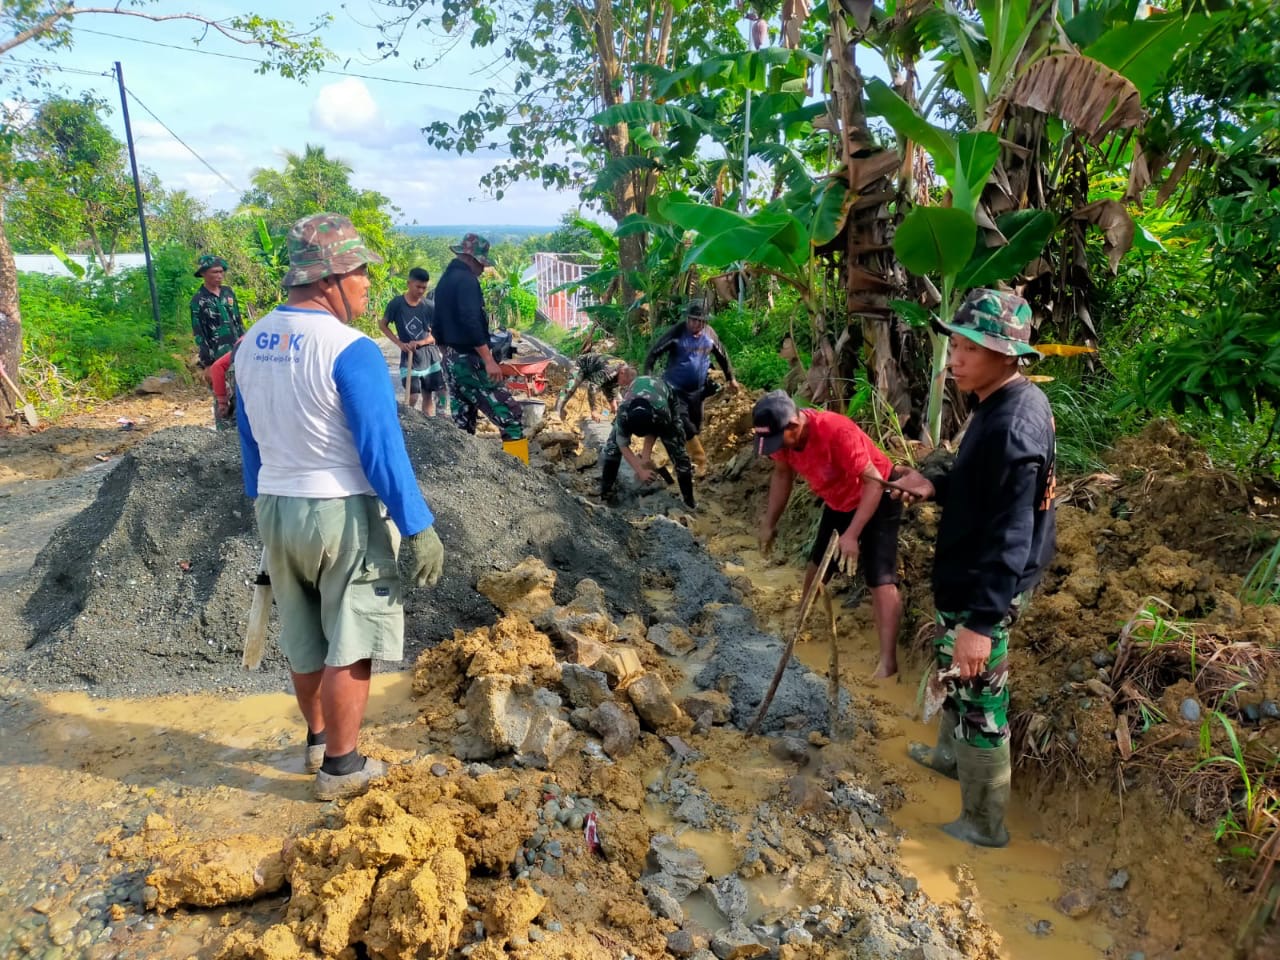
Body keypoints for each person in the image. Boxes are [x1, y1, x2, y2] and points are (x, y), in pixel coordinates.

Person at [234, 213, 445, 802]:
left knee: (304, 638)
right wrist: (418, 524)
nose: (367, 288)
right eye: (360, 276)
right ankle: (343, 769)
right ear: (329, 278)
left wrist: (263, 507)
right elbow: (381, 449)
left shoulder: (251, 342)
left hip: (277, 507)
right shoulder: (349, 350)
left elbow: (247, 438)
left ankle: (316, 741)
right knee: (349, 641)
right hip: (341, 512)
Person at [888, 288, 1057, 848]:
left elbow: (1014, 532)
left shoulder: (1013, 428)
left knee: (981, 697)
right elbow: (981, 488)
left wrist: (982, 623)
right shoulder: (1001, 403)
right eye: (954, 345)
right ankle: (948, 757)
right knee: (956, 675)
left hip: (986, 587)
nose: (954, 359)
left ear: (1007, 354)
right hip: (967, 577)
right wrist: (933, 483)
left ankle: (984, 824)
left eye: (968, 349)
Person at [752, 390, 904, 679]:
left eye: (776, 441)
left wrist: (852, 535)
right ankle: (799, 626)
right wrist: (769, 522)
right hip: (838, 500)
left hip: (879, 493)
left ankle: (887, 663)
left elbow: (873, 482)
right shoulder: (781, 440)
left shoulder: (836, 431)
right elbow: (782, 474)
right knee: (817, 567)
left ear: (794, 427)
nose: (775, 449)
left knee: (880, 578)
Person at [433, 233, 527, 463]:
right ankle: (521, 478)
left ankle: (463, 472)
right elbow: (470, 319)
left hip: (451, 360)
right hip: (470, 360)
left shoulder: (445, 280)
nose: (483, 270)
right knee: (511, 416)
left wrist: (448, 355)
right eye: (481, 264)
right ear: (471, 258)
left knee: (463, 422)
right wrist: (488, 359)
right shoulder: (466, 281)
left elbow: (436, 323)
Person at [643, 299, 738, 471]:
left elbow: (722, 355)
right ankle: (701, 461)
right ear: (687, 319)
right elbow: (653, 354)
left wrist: (731, 378)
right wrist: (647, 380)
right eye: (693, 320)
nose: (696, 324)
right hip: (674, 389)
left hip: (697, 392)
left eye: (700, 321)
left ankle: (678, 456)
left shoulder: (709, 335)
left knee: (696, 426)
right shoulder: (677, 333)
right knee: (684, 423)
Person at [600, 374, 695, 510]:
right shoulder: (623, 411)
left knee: (678, 452)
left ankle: (689, 503)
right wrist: (640, 469)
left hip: (665, 396)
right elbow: (622, 444)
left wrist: (645, 458)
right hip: (637, 394)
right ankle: (605, 493)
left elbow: (654, 432)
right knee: (611, 448)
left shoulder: (661, 412)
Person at [380, 267, 446, 417]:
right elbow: (382, 324)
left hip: (430, 356)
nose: (421, 291)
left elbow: (437, 332)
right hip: (409, 357)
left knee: (429, 394)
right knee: (413, 395)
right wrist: (399, 343)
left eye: (424, 287)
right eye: (418, 286)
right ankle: (407, 423)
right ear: (409, 283)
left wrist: (421, 342)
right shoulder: (396, 304)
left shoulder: (429, 306)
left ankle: (429, 425)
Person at [190, 254, 246, 430]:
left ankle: (240, 430)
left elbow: (238, 321)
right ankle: (223, 435)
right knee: (222, 396)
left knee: (242, 393)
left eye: (222, 272)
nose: (220, 275)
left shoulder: (228, 293)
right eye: (215, 272)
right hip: (216, 357)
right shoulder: (198, 301)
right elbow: (199, 334)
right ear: (204, 273)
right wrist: (207, 364)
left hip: (237, 353)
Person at [555, 332, 628, 422]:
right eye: (624, 382)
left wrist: (613, 405)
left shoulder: (624, 371)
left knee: (619, 400)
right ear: (622, 373)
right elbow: (592, 386)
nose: (624, 384)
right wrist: (594, 410)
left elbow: (612, 386)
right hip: (582, 364)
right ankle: (556, 411)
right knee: (570, 386)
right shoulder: (610, 371)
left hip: (597, 369)